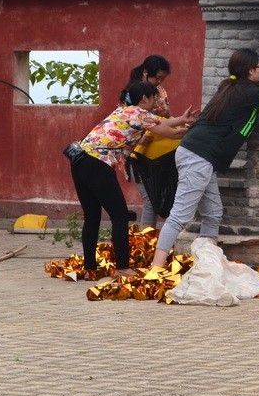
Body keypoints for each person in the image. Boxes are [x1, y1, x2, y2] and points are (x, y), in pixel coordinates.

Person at [149, 48, 259, 268]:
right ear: (250, 70)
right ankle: (155, 270)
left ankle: (208, 265)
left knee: (214, 213)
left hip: (200, 156)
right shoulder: (247, 93)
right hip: (198, 156)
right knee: (180, 216)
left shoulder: (232, 86)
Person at [70, 80, 193, 277]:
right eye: (154, 99)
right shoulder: (140, 114)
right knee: (119, 216)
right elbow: (170, 134)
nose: (155, 103)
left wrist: (180, 119)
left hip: (79, 160)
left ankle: (89, 268)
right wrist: (195, 129)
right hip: (99, 163)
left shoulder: (123, 111)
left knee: (92, 217)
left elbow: (159, 123)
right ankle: (122, 267)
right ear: (145, 98)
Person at [119, 55, 197, 227]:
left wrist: (181, 121)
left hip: (162, 152)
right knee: (150, 198)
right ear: (146, 73)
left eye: (163, 78)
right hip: (140, 152)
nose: (160, 82)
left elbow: (164, 119)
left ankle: (152, 241)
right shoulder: (133, 94)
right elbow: (131, 126)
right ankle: (146, 242)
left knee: (160, 195)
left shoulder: (160, 91)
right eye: (157, 77)